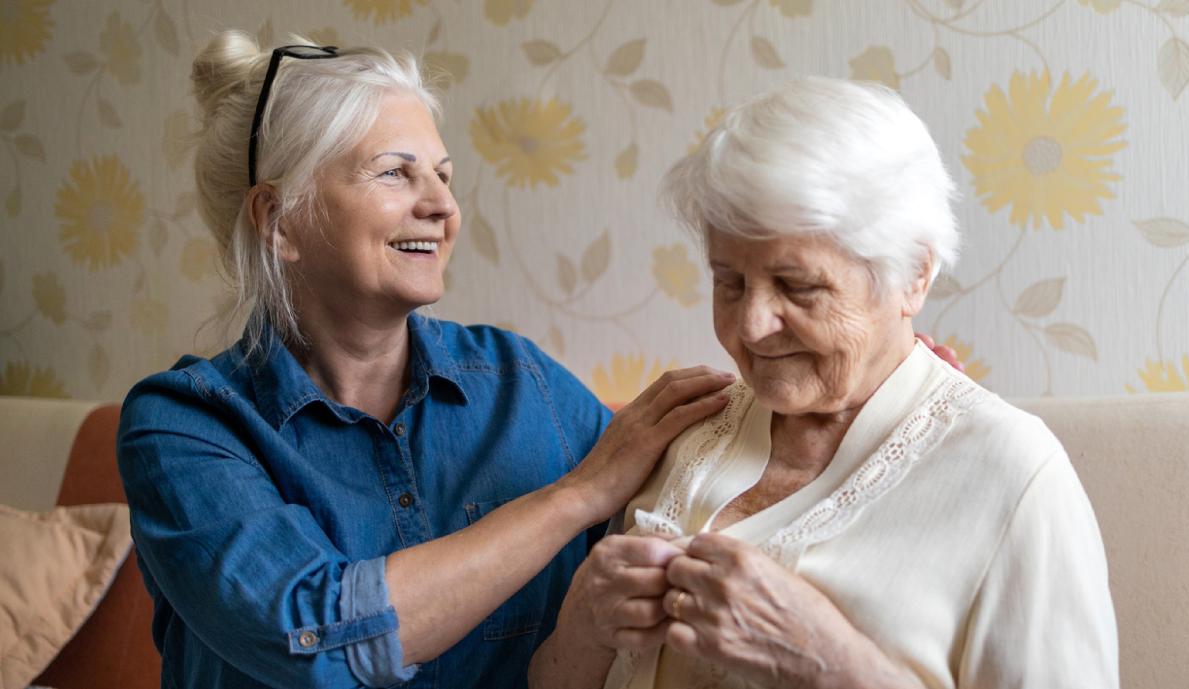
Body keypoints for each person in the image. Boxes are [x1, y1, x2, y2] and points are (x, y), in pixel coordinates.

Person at [116, 32, 738, 689]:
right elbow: (314, 638)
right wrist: (574, 496)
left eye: (442, 175)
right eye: (394, 171)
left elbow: (702, 508)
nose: (442, 207)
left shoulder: (522, 384)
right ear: (279, 221)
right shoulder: (182, 426)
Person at [529, 77, 1118, 689]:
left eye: (799, 287)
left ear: (914, 275)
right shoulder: (684, 428)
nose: (751, 327)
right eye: (729, 282)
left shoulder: (1013, 474)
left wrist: (823, 663)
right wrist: (585, 619)